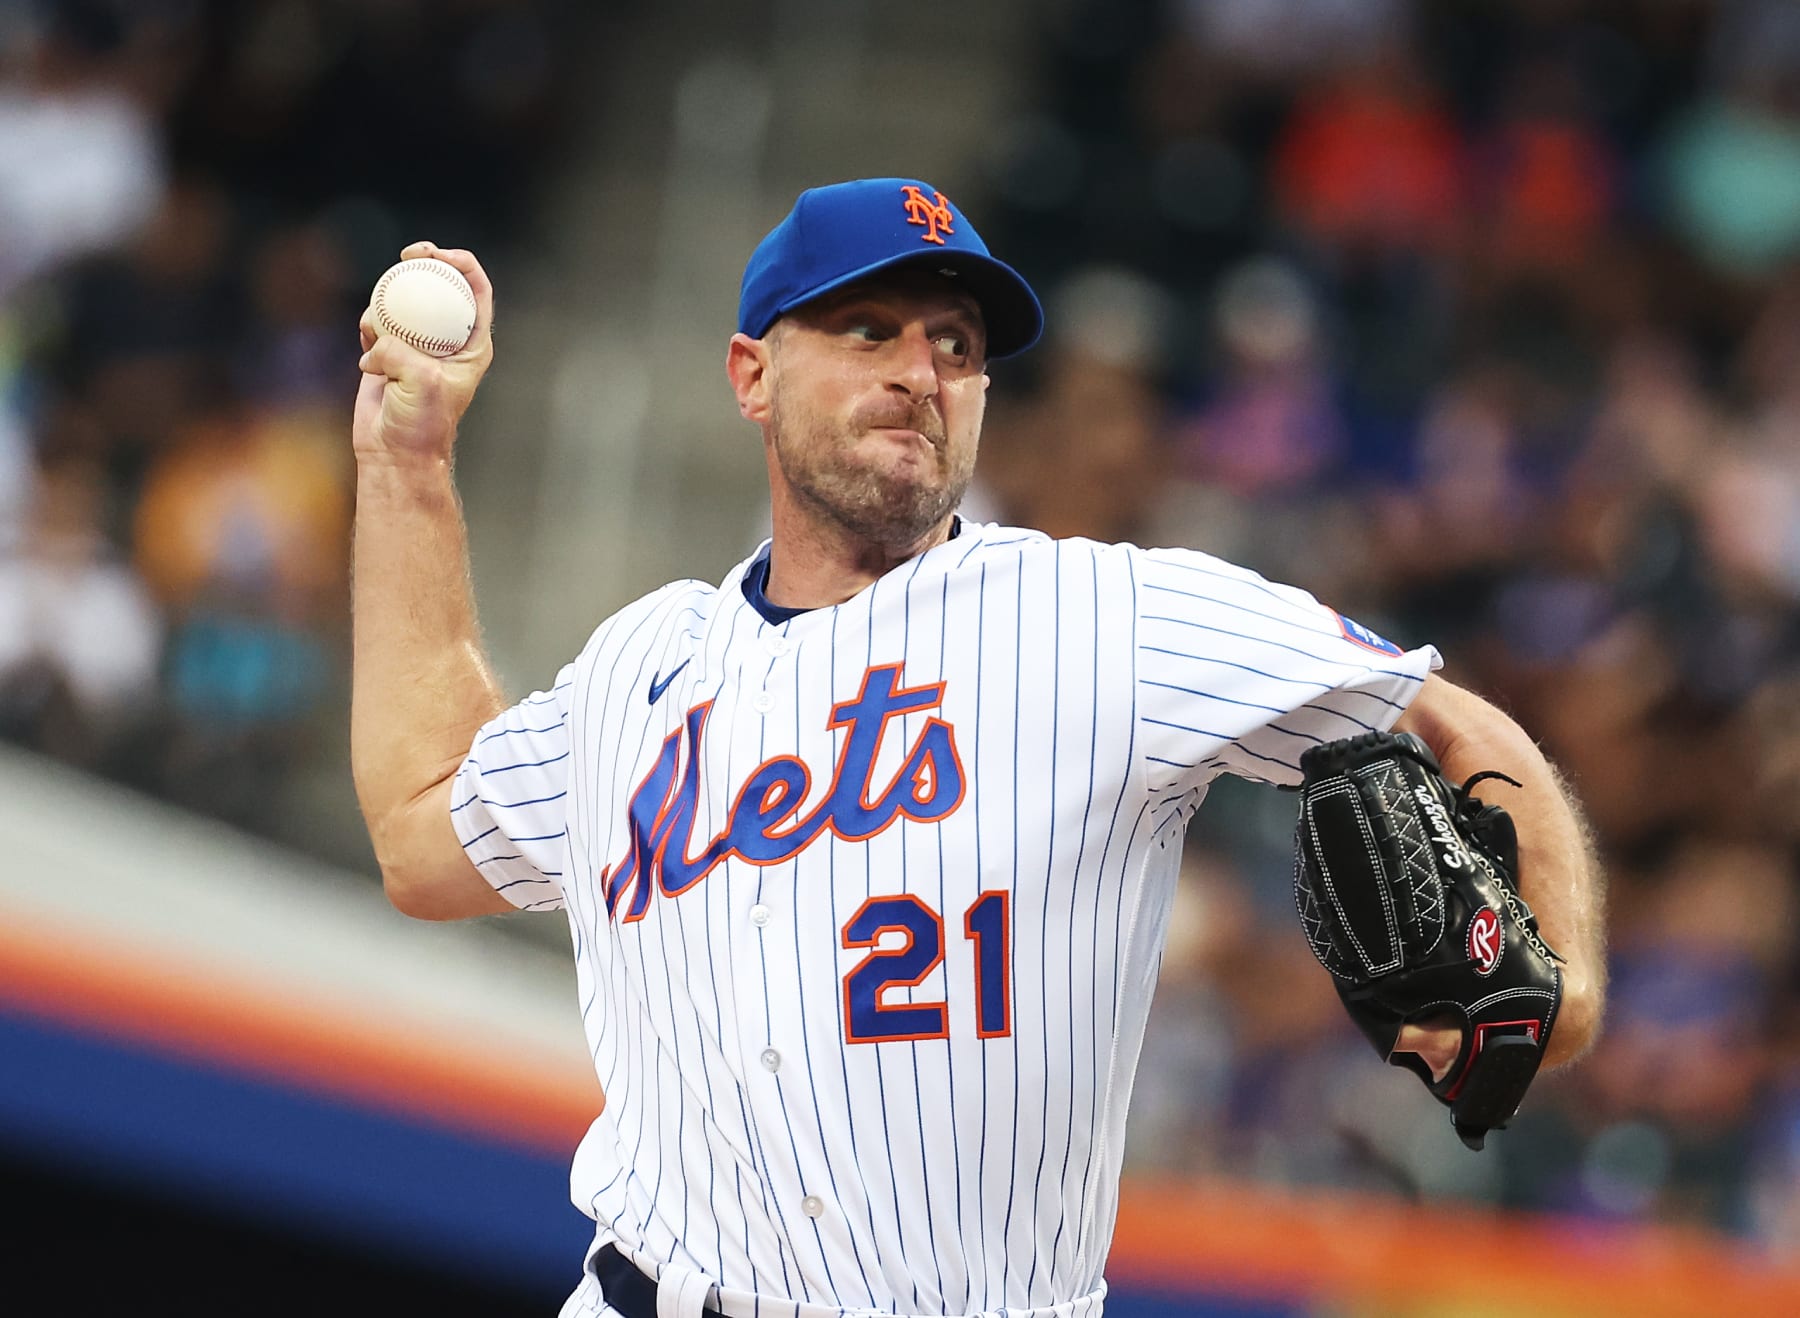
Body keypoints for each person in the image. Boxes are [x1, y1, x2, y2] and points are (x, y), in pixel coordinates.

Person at [350, 178, 1605, 1318]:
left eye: (957, 344)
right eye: (869, 330)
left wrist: (1566, 979)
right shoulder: (642, 662)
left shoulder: (1104, 617)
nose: (922, 370)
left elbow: (1452, 717)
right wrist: (406, 461)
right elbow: (422, 831)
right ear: (750, 373)